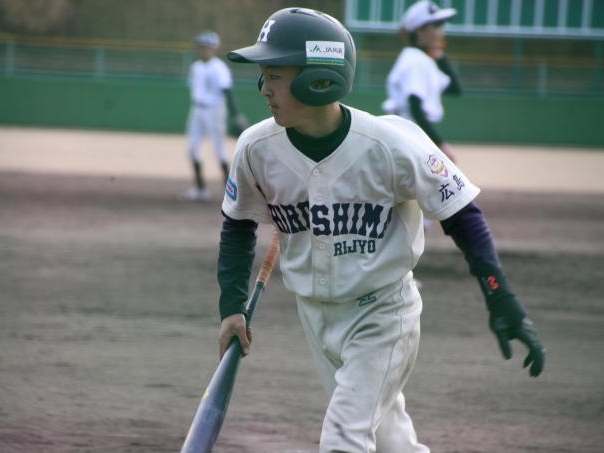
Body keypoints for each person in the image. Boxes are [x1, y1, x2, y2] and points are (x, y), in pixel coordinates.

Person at [217, 8, 545, 453]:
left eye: (275, 76)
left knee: (343, 438)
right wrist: (231, 307)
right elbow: (238, 225)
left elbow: (461, 214)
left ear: (319, 80)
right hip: (314, 315)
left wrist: (499, 295)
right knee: (392, 443)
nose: (263, 89)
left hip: (383, 315)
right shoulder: (256, 148)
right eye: (264, 76)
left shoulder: (389, 145)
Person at [382, 0, 461, 163]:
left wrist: (440, 58)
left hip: (408, 135)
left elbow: (455, 88)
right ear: (419, 31)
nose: (441, 32)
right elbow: (415, 108)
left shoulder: (421, 60)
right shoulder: (415, 61)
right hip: (409, 136)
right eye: (436, 26)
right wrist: (440, 145)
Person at [182, 30, 247, 201]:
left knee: (219, 150)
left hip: (215, 109)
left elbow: (227, 91)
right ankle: (200, 189)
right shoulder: (195, 67)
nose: (205, 49)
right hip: (197, 109)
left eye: (208, 46)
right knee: (191, 148)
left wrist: (236, 114)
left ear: (214, 48)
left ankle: (230, 193)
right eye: (202, 46)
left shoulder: (219, 67)